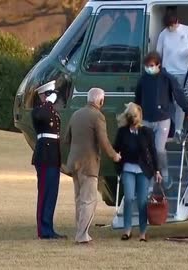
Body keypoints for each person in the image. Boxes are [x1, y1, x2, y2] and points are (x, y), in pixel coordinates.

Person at [65, 87, 121, 244]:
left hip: (74, 163)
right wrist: (114, 156)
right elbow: (104, 141)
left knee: (79, 199)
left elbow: (66, 139)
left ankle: (80, 230)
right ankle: (82, 235)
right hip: (89, 165)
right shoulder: (98, 116)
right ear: (100, 101)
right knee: (89, 200)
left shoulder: (76, 114)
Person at [134, 52, 188, 188]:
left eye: (151, 66)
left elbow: (179, 94)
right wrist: (135, 117)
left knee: (159, 149)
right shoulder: (143, 79)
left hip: (162, 119)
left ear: (158, 65)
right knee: (147, 151)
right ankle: (150, 182)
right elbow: (137, 99)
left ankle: (165, 175)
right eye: (147, 66)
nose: (149, 68)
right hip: (146, 120)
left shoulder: (167, 78)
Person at [114, 102, 162, 242]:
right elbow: (116, 149)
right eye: (130, 116)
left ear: (139, 116)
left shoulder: (146, 132)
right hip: (128, 168)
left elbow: (153, 152)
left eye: (135, 116)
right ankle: (127, 230)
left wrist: (157, 170)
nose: (133, 119)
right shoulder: (122, 132)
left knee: (142, 201)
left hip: (143, 170)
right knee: (128, 198)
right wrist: (117, 165)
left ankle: (142, 232)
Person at [156, 6, 188, 141]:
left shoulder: (186, 30)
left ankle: (178, 130)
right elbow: (158, 52)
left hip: (182, 71)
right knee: (167, 102)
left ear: (177, 22)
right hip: (166, 72)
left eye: (172, 25)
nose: (171, 28)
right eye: (168, 26)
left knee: (179, 101)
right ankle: (169, 127)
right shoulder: (163, 34)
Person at [31, 80, 67, 240]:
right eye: (48, 94)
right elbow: (40, 116)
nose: (52, 97)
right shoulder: (39, 110)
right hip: (44, 155)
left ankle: (49, 228)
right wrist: (48, 103)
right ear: (42, 96)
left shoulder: (51, 111)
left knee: (52, 193)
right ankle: (43, 229)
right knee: (44, 193)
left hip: (53, 155)